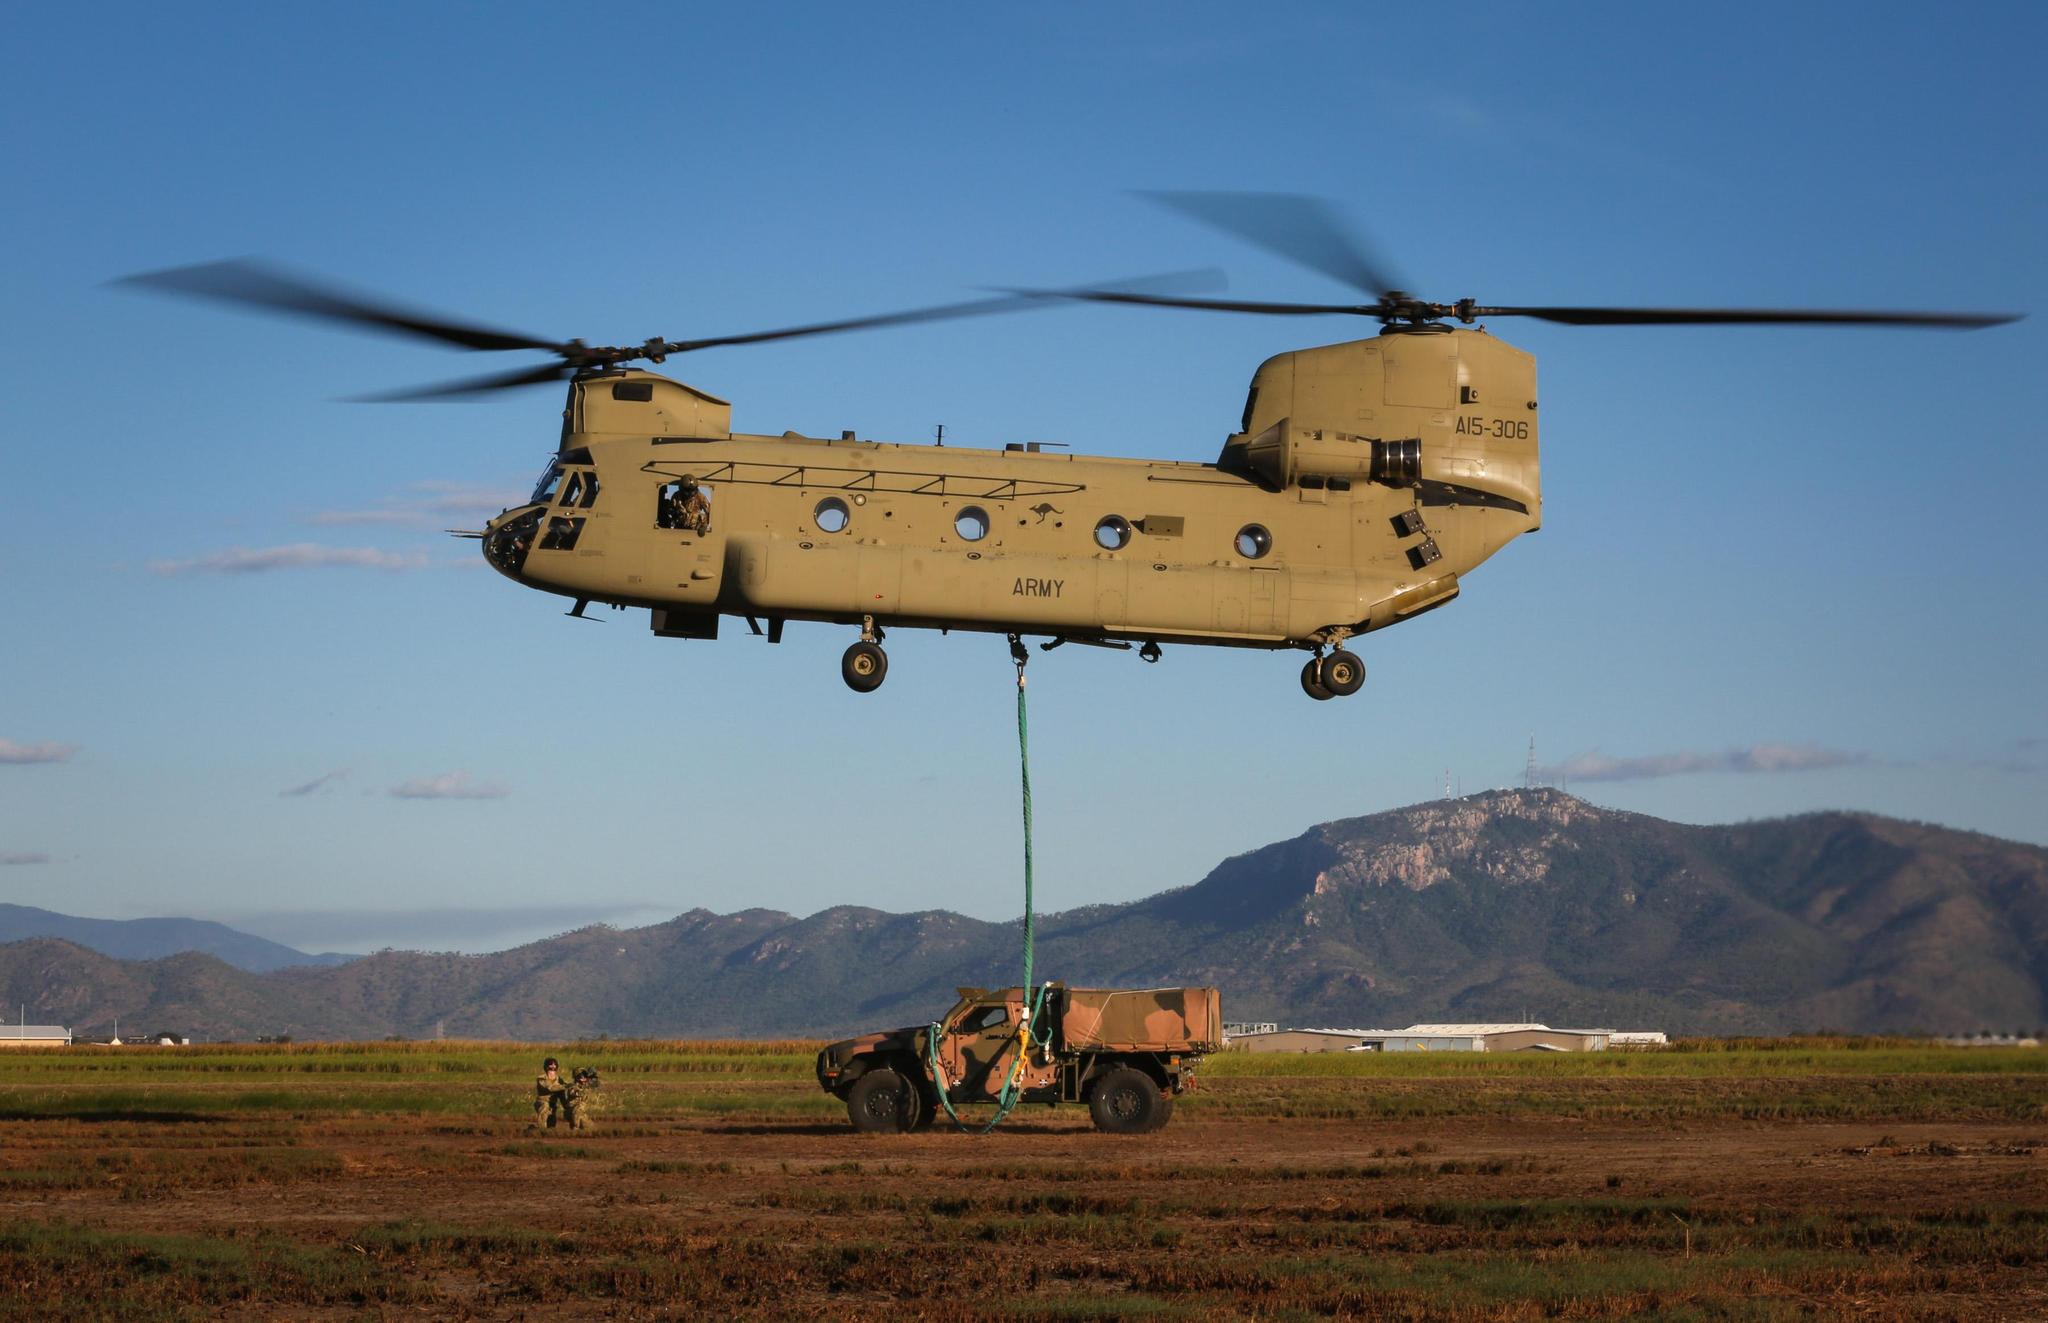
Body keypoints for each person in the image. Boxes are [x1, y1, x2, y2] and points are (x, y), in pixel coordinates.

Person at [534, 1056, 567, 1128]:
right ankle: (541, 1130)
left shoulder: (560, 1080)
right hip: (542, 1102)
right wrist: (565, 1086)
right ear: (546, 1068)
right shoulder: (541, 1078)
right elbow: (550, 1088)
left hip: (552, 1105)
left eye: (554, 1066)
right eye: (550, 1066)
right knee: (544, 1109)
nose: (552, 1068)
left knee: (551, 1124)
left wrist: (567, 1107)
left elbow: (562, 1095)